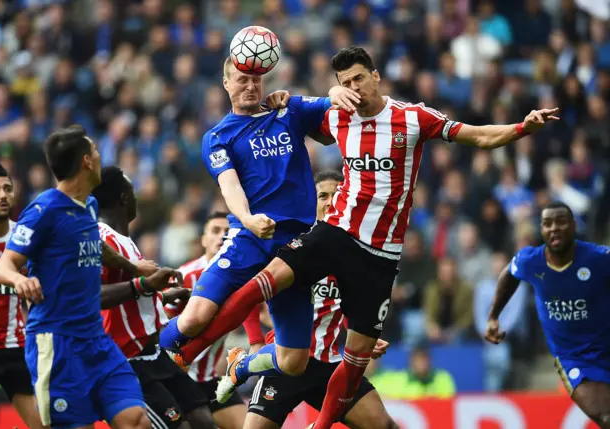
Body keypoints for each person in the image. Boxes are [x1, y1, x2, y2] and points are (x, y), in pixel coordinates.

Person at [173, 46, 560, 429]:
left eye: (359, 78)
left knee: (357, 366)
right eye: (345, 82)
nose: (354, 88)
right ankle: (182, 353)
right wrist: (284, 100)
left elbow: (477, 136)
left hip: (380, 253)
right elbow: (292, 118)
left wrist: (522, 127)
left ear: (376, 76)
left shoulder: (413, 117)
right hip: (336, 232)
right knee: (266, 281)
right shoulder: (338, 119)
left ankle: (316, 423)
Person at [158, 56, 357, 386]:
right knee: (194, 317)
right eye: (241, 79)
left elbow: (327, 106)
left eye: (255, 80)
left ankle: (242, 364)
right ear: (226, 84)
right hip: (250, 236)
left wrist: (336, 90)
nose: (250, 86)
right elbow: (229, 184)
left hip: (298, 246)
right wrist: (248, 219)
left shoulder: (287, 110)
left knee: (294, 361)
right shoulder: (218, 136)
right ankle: (147, 362)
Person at [0, 125, 158, 429]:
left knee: (136, 420)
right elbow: (4, 265)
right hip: (57, 345)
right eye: (95, 150)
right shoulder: (43, 210)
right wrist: (20, 280)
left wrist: (134, 268)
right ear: (86, 161)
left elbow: (95, 246)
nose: (100, 155)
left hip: (96, 341)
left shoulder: (89, 206)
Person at [244, 170, 398, 429]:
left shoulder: (356, 250)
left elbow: (348, 302)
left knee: (384, 426)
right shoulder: (294, 245)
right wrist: (255, 341)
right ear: (311, 201)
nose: (329, 202)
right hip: (287, 359)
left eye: (336, 195)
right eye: (322, 196)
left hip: (328, 365)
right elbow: (249, 293)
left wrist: (363, 336)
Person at [92, 166, 216, 429]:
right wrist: (146, 284)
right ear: (124, 198)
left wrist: (161, 295)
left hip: (154, 355)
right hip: (126, 361)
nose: (136, 198)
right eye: (133, 191)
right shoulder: (100, 241)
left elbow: (129, 295)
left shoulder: (125, 241)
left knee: (203, 420)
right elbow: (93, 296)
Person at [485, 201, 610, 429]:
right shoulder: (530, 261)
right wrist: (493, 316)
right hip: (575, 357)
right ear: (541, 230)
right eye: (547, 223)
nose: (554, 228)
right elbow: (509, 275)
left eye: (561, 221)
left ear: (573, 226)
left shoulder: (598, 258)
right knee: (606, 417)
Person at [0, 164, 45, 429]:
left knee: (43, 423)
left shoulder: (24, 238)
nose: (2, 195)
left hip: (17, 346)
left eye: (7, 189)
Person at [173, 212, 252, 429]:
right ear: (203, 239)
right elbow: (160, 321)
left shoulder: (242, 278)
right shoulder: (185, 276)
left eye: (227, 232)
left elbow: (262, 313)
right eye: (215, 231)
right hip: (179, 377)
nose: (221, 237)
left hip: (208, 379)